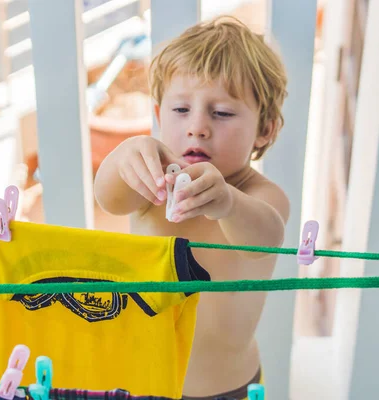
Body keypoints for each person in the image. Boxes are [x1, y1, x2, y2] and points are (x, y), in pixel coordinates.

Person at [94, 15, 290, 399]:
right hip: (143, 380)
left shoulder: (260, 196)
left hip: (229, 388)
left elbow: (263, 238)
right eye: (181, 110)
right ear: (157, 115)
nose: (197, 126)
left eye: (222, 113)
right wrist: (124, 157)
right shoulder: (154, 183)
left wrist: (227, 202)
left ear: (265, 129)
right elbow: (109, 198)